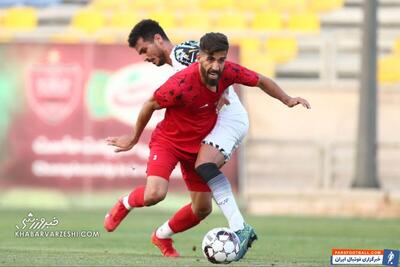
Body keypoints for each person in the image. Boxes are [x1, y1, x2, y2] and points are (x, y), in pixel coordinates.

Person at [104, 31, 311, 260]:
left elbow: (261, 80)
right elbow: (150, 104)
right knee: (155, 194)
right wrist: (133, 138)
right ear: (199, 57)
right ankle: (124, 204)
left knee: (202, 209)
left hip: (197, 145)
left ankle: (161, 236)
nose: (216, 66)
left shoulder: (227, 73)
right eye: (210, 59)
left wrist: (288, 99)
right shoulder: (180, 83)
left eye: (221, 60)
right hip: (169, 141)